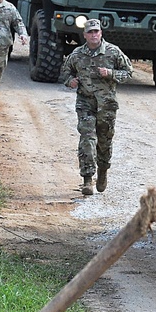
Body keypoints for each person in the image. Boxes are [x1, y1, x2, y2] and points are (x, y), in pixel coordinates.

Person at [59, 19, 133, 196]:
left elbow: (128, 72)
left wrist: (111, 74)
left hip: (107, 105)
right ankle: (87, 179)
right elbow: (65, 71)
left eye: (96, 32)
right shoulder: (77, 54)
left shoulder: (113, 52)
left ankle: (103, 170)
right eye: (90, 32)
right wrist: (71, 81)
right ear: (84, 35)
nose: (93, 35)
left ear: (101, 33)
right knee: (87, 138)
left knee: (104, 142)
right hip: (85, 104)